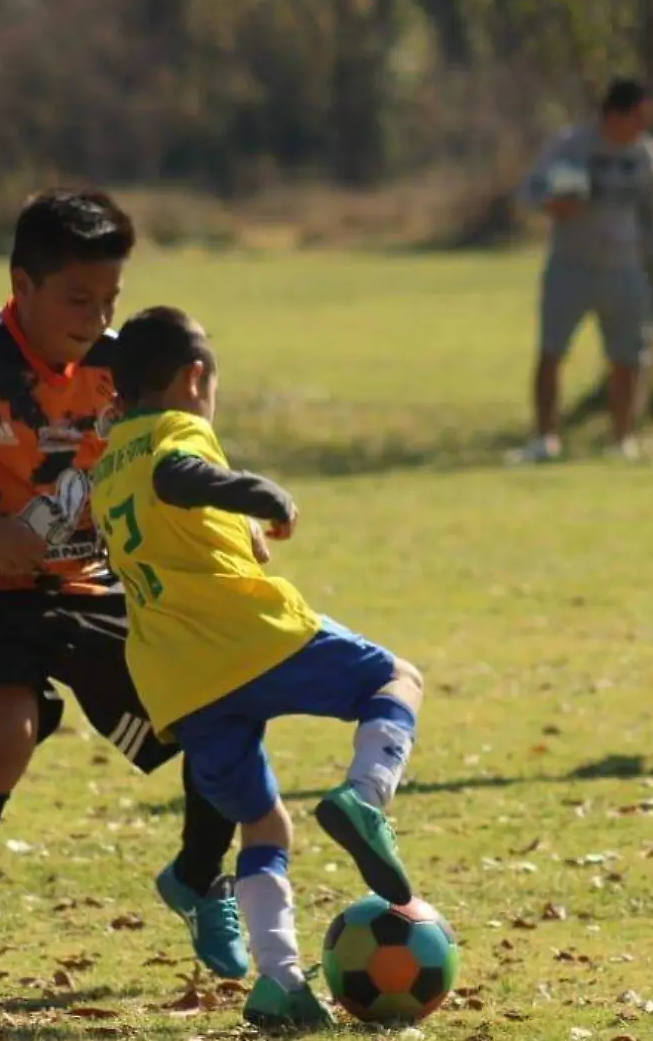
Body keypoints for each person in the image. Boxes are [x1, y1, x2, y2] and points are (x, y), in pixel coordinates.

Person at [0, 191, 243, 1010]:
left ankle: (201, 879)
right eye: (78, 299)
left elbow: (174, 447)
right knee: (5, 733)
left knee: (217, 713)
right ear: (21, 283)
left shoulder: (121, 362)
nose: (97, 317)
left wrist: (229, 516)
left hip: (97, 585)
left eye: (111, 301)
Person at [88, 306, 425, 1030]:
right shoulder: (178, 431)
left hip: (177, 683)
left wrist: (234, 531)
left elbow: (167, 524)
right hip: (250, 638)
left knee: (265, 826)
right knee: (394, 679)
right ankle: (367, 796)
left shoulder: (105, 464)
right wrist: (256, 494)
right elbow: (181, 476)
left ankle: (279, 985)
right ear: (195, 378)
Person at [515, 77, 653, 463]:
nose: (642, 127)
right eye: (637, 118)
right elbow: (528, 192)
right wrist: (554, 204)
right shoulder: (570, 146)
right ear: (614, 114)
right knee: (552, 352)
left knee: (628, 358)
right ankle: (545, 438)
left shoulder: (644, 154)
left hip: (625, 269)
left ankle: (622, 439)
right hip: (571, 266)